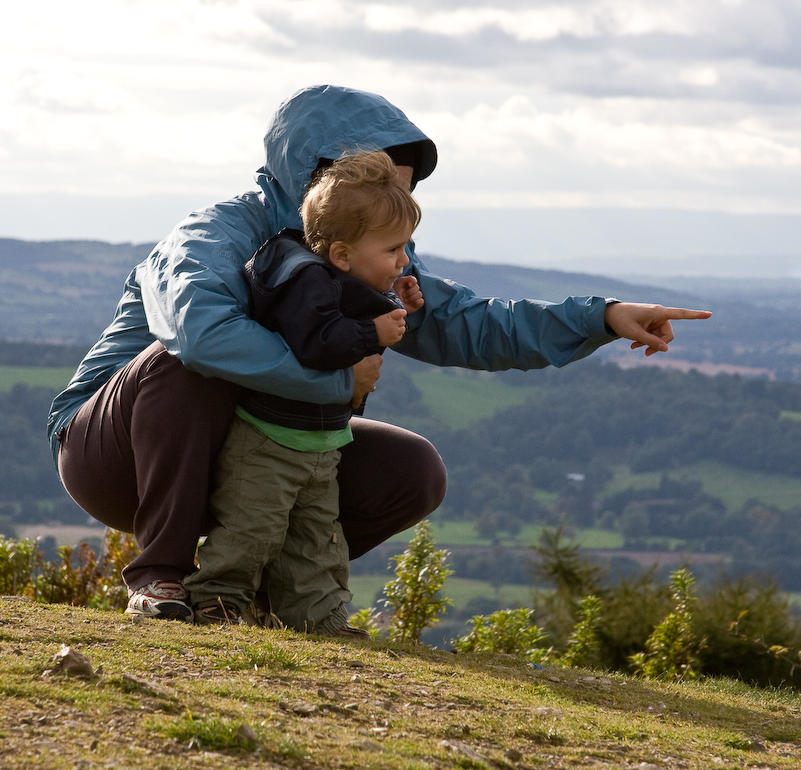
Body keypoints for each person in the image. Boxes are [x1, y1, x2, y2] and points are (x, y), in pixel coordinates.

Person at [47, 84, 711, 622]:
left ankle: (264, 597)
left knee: (411, 468)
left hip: (253, 447)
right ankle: (159, 576)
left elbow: (466, 322)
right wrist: (340, 376)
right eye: (373, 189)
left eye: (399, 194)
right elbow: (199, 332)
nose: (391, 209)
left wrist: (600, 317)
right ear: (320, 177)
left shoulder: (361, 252)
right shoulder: (213, 234)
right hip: (114, 454)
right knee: (180, 361)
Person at [184, 150, 422, 635]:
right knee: (252, 528)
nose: (404, 259)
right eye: (394, 250)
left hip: (320, 444)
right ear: (341, 254)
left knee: (316, 539)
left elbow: (353, 331)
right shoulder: (305, 283)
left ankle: (317, 619)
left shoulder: (341, 279)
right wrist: (375, 331)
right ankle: (217, 603)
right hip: (269, 441)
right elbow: (318, 344)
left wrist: (398, 306)